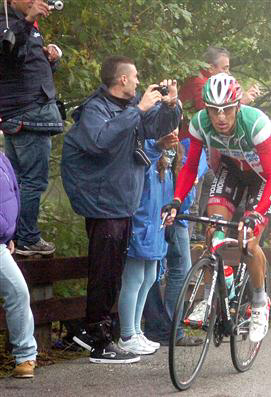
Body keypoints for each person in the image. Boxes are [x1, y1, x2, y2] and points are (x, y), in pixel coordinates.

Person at [61, 55, 181, 363]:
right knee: (104, 273)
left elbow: (157, 128)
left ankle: (103, 334)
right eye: (136, 76)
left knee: (112, 273)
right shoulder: (95, 109)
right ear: (123, 79)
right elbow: (99, 142)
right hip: (103, 204)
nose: (140, 81)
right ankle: (98, 340)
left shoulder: (130, 110)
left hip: (122, 203)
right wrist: (139, 110)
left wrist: (171, 106)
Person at [162, 73, 271, 343]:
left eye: (227, 109)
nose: (220, 117)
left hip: (264, 175)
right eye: (213, 110)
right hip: (231, 169)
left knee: (248, 242)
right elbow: (191, 166)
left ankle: (260, 303)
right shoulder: (200, 124)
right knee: (213, 230)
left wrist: (257, 213)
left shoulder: (255, 124)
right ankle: (216, 288)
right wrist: (176, 200)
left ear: (237, 107)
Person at [0, 0, 64, 256]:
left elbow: (27, 64)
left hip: (26, 111)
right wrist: (27, 23)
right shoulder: (7, 21)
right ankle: (26, 236)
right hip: (28, 113)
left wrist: (51, 58)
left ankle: (12, 234)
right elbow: (8, 55)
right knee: (32, 181)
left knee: (14, 181)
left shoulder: (25, 24)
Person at [179, 46, 261, 239]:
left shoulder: (208, 83)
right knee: (197, 190)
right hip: (189, 144)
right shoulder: (199, 83)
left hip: (206, 147)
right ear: (210, 67)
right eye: (224, 68)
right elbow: (209, 113)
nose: (228, 72)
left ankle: (203, 233)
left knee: (210, 183)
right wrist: (242, 101)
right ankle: (194, 236)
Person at [142, 131, 208, 346]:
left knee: (153, 271)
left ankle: (161, 328)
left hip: (161, 215)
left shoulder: (177, 148)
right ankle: (171, 329)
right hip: (168, 216)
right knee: (175, 270)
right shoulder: (172, 148)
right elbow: (186, 189)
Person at [117, 131, 180, 355]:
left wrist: (170, 212)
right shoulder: (146, 153)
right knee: (133, 279)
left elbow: (166, 195)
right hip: (140, 225)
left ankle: (136, 330)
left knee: (150, 278)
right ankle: (126, 334)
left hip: (157, 227)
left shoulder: (165, 163)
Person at [0, 151, 38, 378]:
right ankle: (25, 355)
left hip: (3, 242)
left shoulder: (2, 157)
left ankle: (25, 357)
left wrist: (8, 234)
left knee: (18, 292)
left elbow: (12, 193)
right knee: (17, 291)